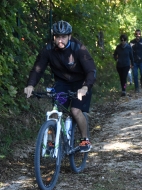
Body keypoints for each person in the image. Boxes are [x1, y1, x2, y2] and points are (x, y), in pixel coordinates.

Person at [24, 20, 96, 152]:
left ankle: (85, 139)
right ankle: (52, 143)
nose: (60, 40)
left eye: (63, 37)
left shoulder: (78, 48)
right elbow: (38, 68)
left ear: (69, 36)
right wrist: (30, 85)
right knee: (55, 112)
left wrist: (85, 87)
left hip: (80, 83)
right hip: (62, 83)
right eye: (57, 37)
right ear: (54, 37)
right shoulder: (48, 50)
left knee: (75, 111)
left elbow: (91, 70)